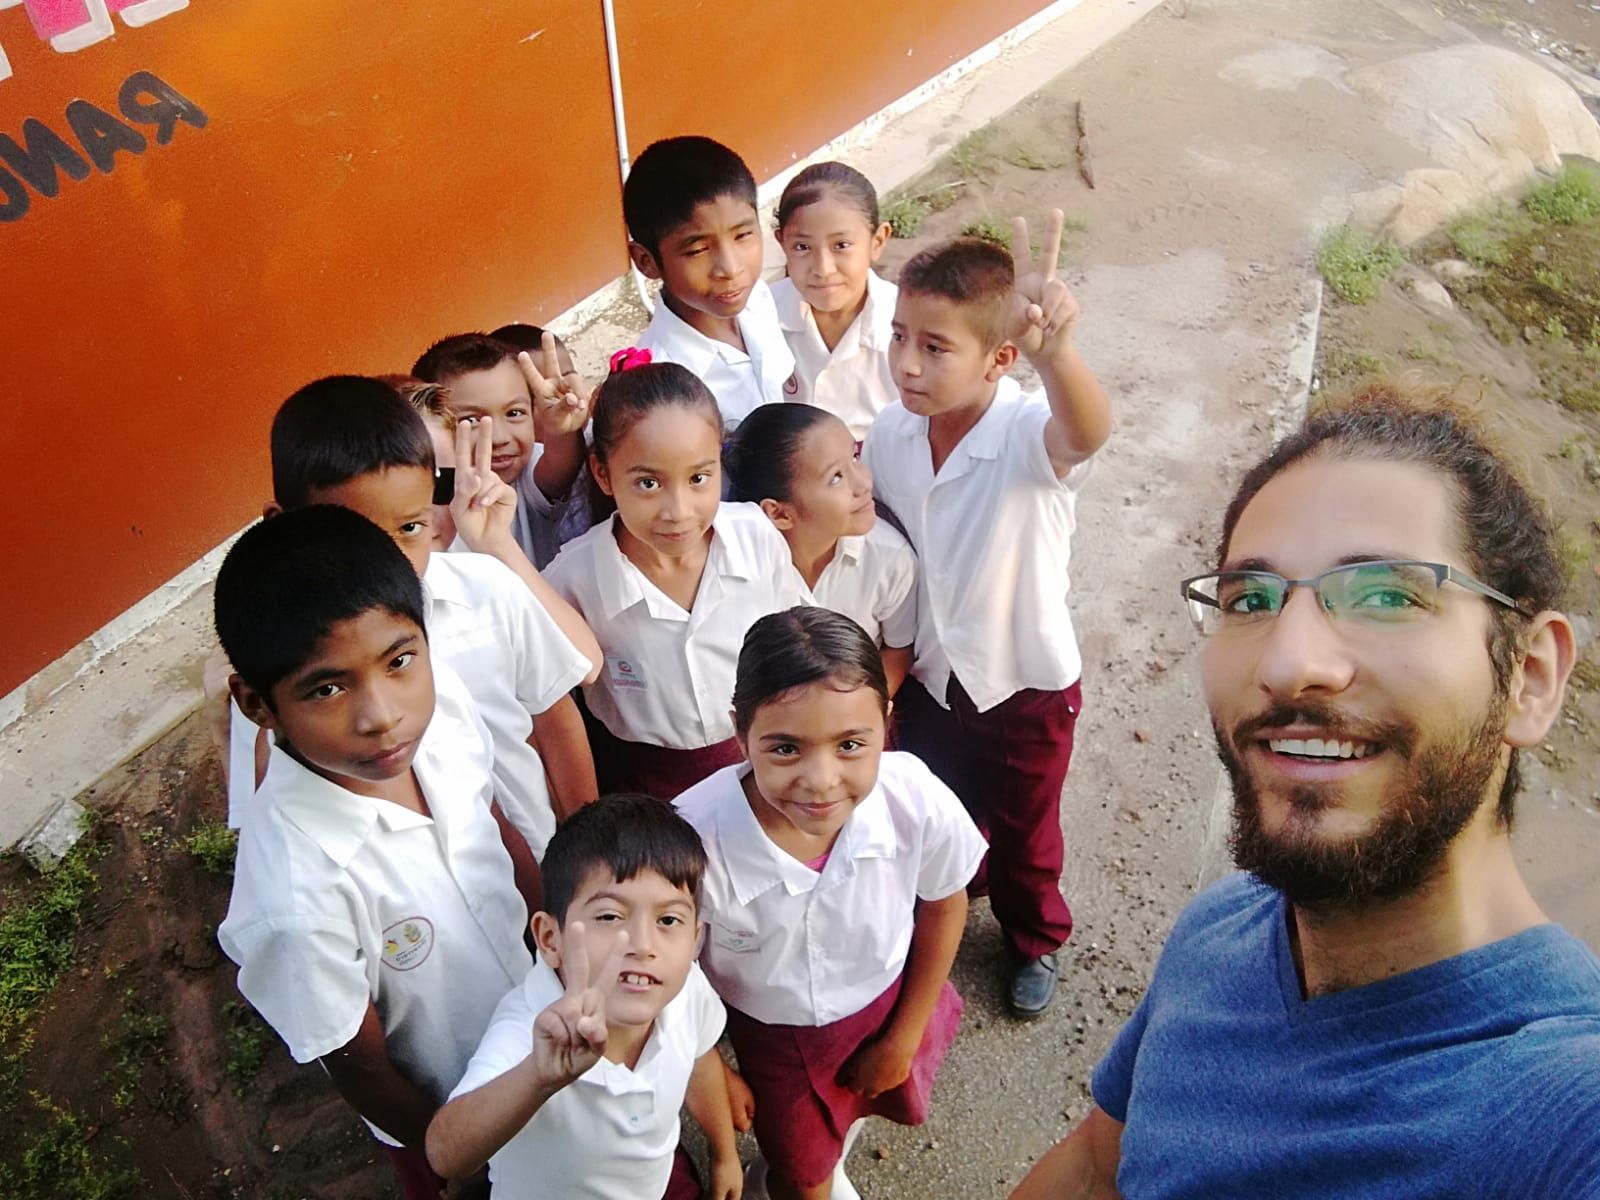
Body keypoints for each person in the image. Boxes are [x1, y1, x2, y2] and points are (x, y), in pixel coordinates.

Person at [1011, 399, 1600, 1200]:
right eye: (1251, 600)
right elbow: (1093, 1172)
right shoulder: (1222, 928)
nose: (1288, 663)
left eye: (1389, 595)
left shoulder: (1558, 1113)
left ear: (1529, 676)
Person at [215, 506, 533, 1200]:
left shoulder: (440, 721)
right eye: (327, 688)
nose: (382, 713)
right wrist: (455, 1156)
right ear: (257, 704)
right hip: (454, 1119)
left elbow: (497, 827)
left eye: (399, 661)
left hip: (549, 1041)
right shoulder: (296, 898)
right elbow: (363, 1068)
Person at [863, 214, 1112, 1016]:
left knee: (1027, 832)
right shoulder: (890, 437)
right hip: (933, 680)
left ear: (1001, 358)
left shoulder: (1023, 435)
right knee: (938, 805)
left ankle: (1035, 936)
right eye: (900, 336)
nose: (907, 362)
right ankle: (951, 894)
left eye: (936, 347)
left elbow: (1088, 430)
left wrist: (1059, 356)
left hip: (1025, 683)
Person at [676, 607, 986, 1200]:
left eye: (850, 744)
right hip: (772, 1038)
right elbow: (675, 978)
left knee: (848, 1121)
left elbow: (946, 903)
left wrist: (902, 1037)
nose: (821, 780)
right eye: (786, 748)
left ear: (886, 721)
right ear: (739, 730)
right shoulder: (689, 842)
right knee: (803, 1170)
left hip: (886, 1005)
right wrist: (711, 1065)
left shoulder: (912, 795)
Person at [226, 375, 602, 856]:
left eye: (410, 527)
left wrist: (586, 845)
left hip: (539, 860)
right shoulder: (279, 661)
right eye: (356, 531)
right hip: (412, 900)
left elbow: (553, 716)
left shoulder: (487, 590)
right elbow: (268, 804)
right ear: (286, 524)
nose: (392, 558)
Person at [427, 794, 739, 1200]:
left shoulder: (683, 988)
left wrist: (724, 1155)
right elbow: (445, 1154)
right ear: (549, 938)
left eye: (668, 920)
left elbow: (699, 1060)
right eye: (610, 916)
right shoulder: (531, 1031)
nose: (643, 945)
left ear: (695, 938)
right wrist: (537, 1077)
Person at [544, 360, 811, 799]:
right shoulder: (571, 579)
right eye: (648, 483)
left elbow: (797, 640)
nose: (679, 511)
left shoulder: (755, 535)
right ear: (603, 474)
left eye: (699, 478)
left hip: (766, 769)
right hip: (646, 789)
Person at [725, 403, 916, 694]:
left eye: (854, 457)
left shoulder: (890, 558)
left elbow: (898, 649)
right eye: (836, 477)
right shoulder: (733, 567)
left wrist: (859, 714)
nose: (863, 483)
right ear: (779, 514)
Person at [625, 135, 795, 430]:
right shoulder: (659, 386)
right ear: (646, 261)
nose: (730, 268)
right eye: (697, 250)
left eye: (743, 235)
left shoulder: (759, 301)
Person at [413, 331, 589, 568]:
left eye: (514, 413)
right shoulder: (425, 510)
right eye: (471, 420)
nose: (498, 438)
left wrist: (563, 429)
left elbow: (561, 467)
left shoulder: (523, 477)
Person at [770, 162, 897, 442]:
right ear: (782, 243)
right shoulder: (761, 317)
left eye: (841, 245)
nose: (823, 269)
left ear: (877, 241)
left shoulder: (906, 325)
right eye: (802, 247)